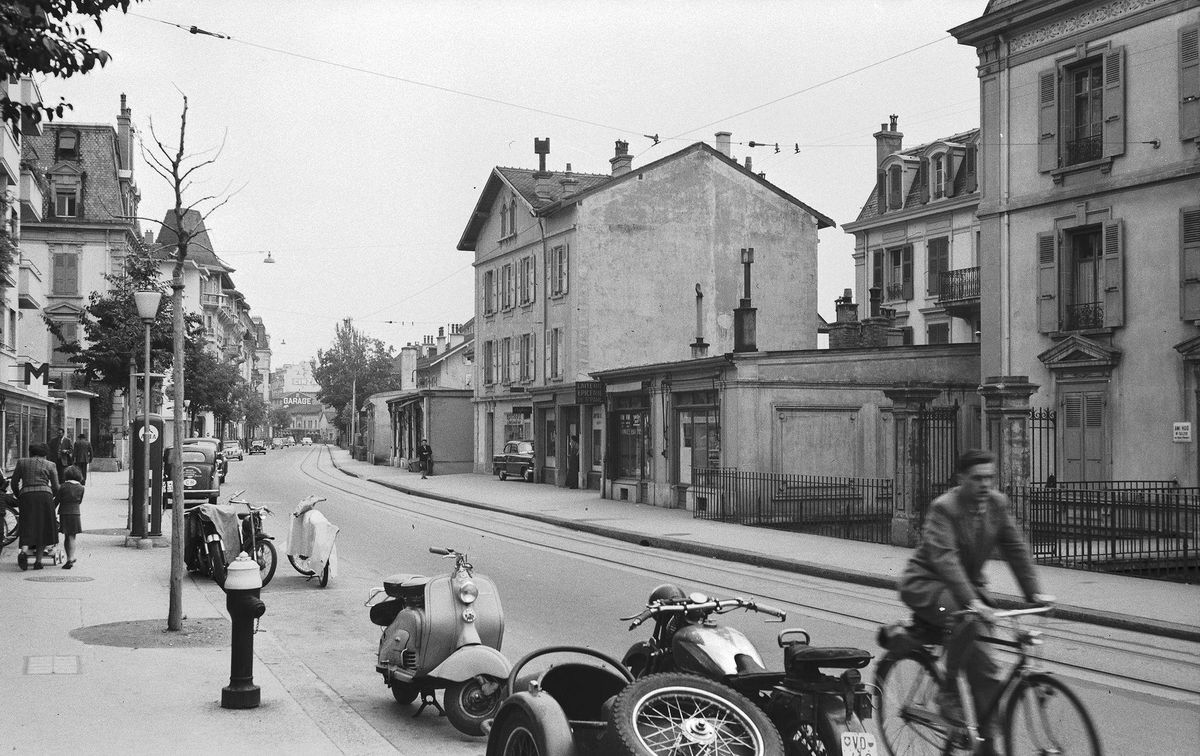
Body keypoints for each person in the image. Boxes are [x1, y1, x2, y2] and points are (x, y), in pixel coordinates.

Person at [898, 449, 1049, 755]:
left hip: (965, 592)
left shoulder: (997, 504)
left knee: (987, 669)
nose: (984, 485)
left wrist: (1035, 593)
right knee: (965, 616)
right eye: (977, 478)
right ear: (961, 479)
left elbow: (1015, 548)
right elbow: (946, 560)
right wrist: (973, 602)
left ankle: (988, 746)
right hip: (928, 587)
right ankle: (947, 693)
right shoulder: (944, 508)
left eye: (990, 478)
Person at [11, 443, 61, 570]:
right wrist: (51, 496)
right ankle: (38, 562)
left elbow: (14, 482)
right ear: (45, 453)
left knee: (27, 524)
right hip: (45, 497)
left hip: (26, 496)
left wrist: (19, 495)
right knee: (42, 528)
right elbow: (56, 486)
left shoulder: (21, 463)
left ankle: (23, 551)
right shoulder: (50, 465)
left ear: (31, 452)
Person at [56, 465, 85, 569]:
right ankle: (71, 557)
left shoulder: (62, 487)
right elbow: (80, 501)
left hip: (64, 513)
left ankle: (69, 558)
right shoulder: (81, 488)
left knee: (67, 536)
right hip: (76, 513)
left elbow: (57, 501)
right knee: (72, 536)